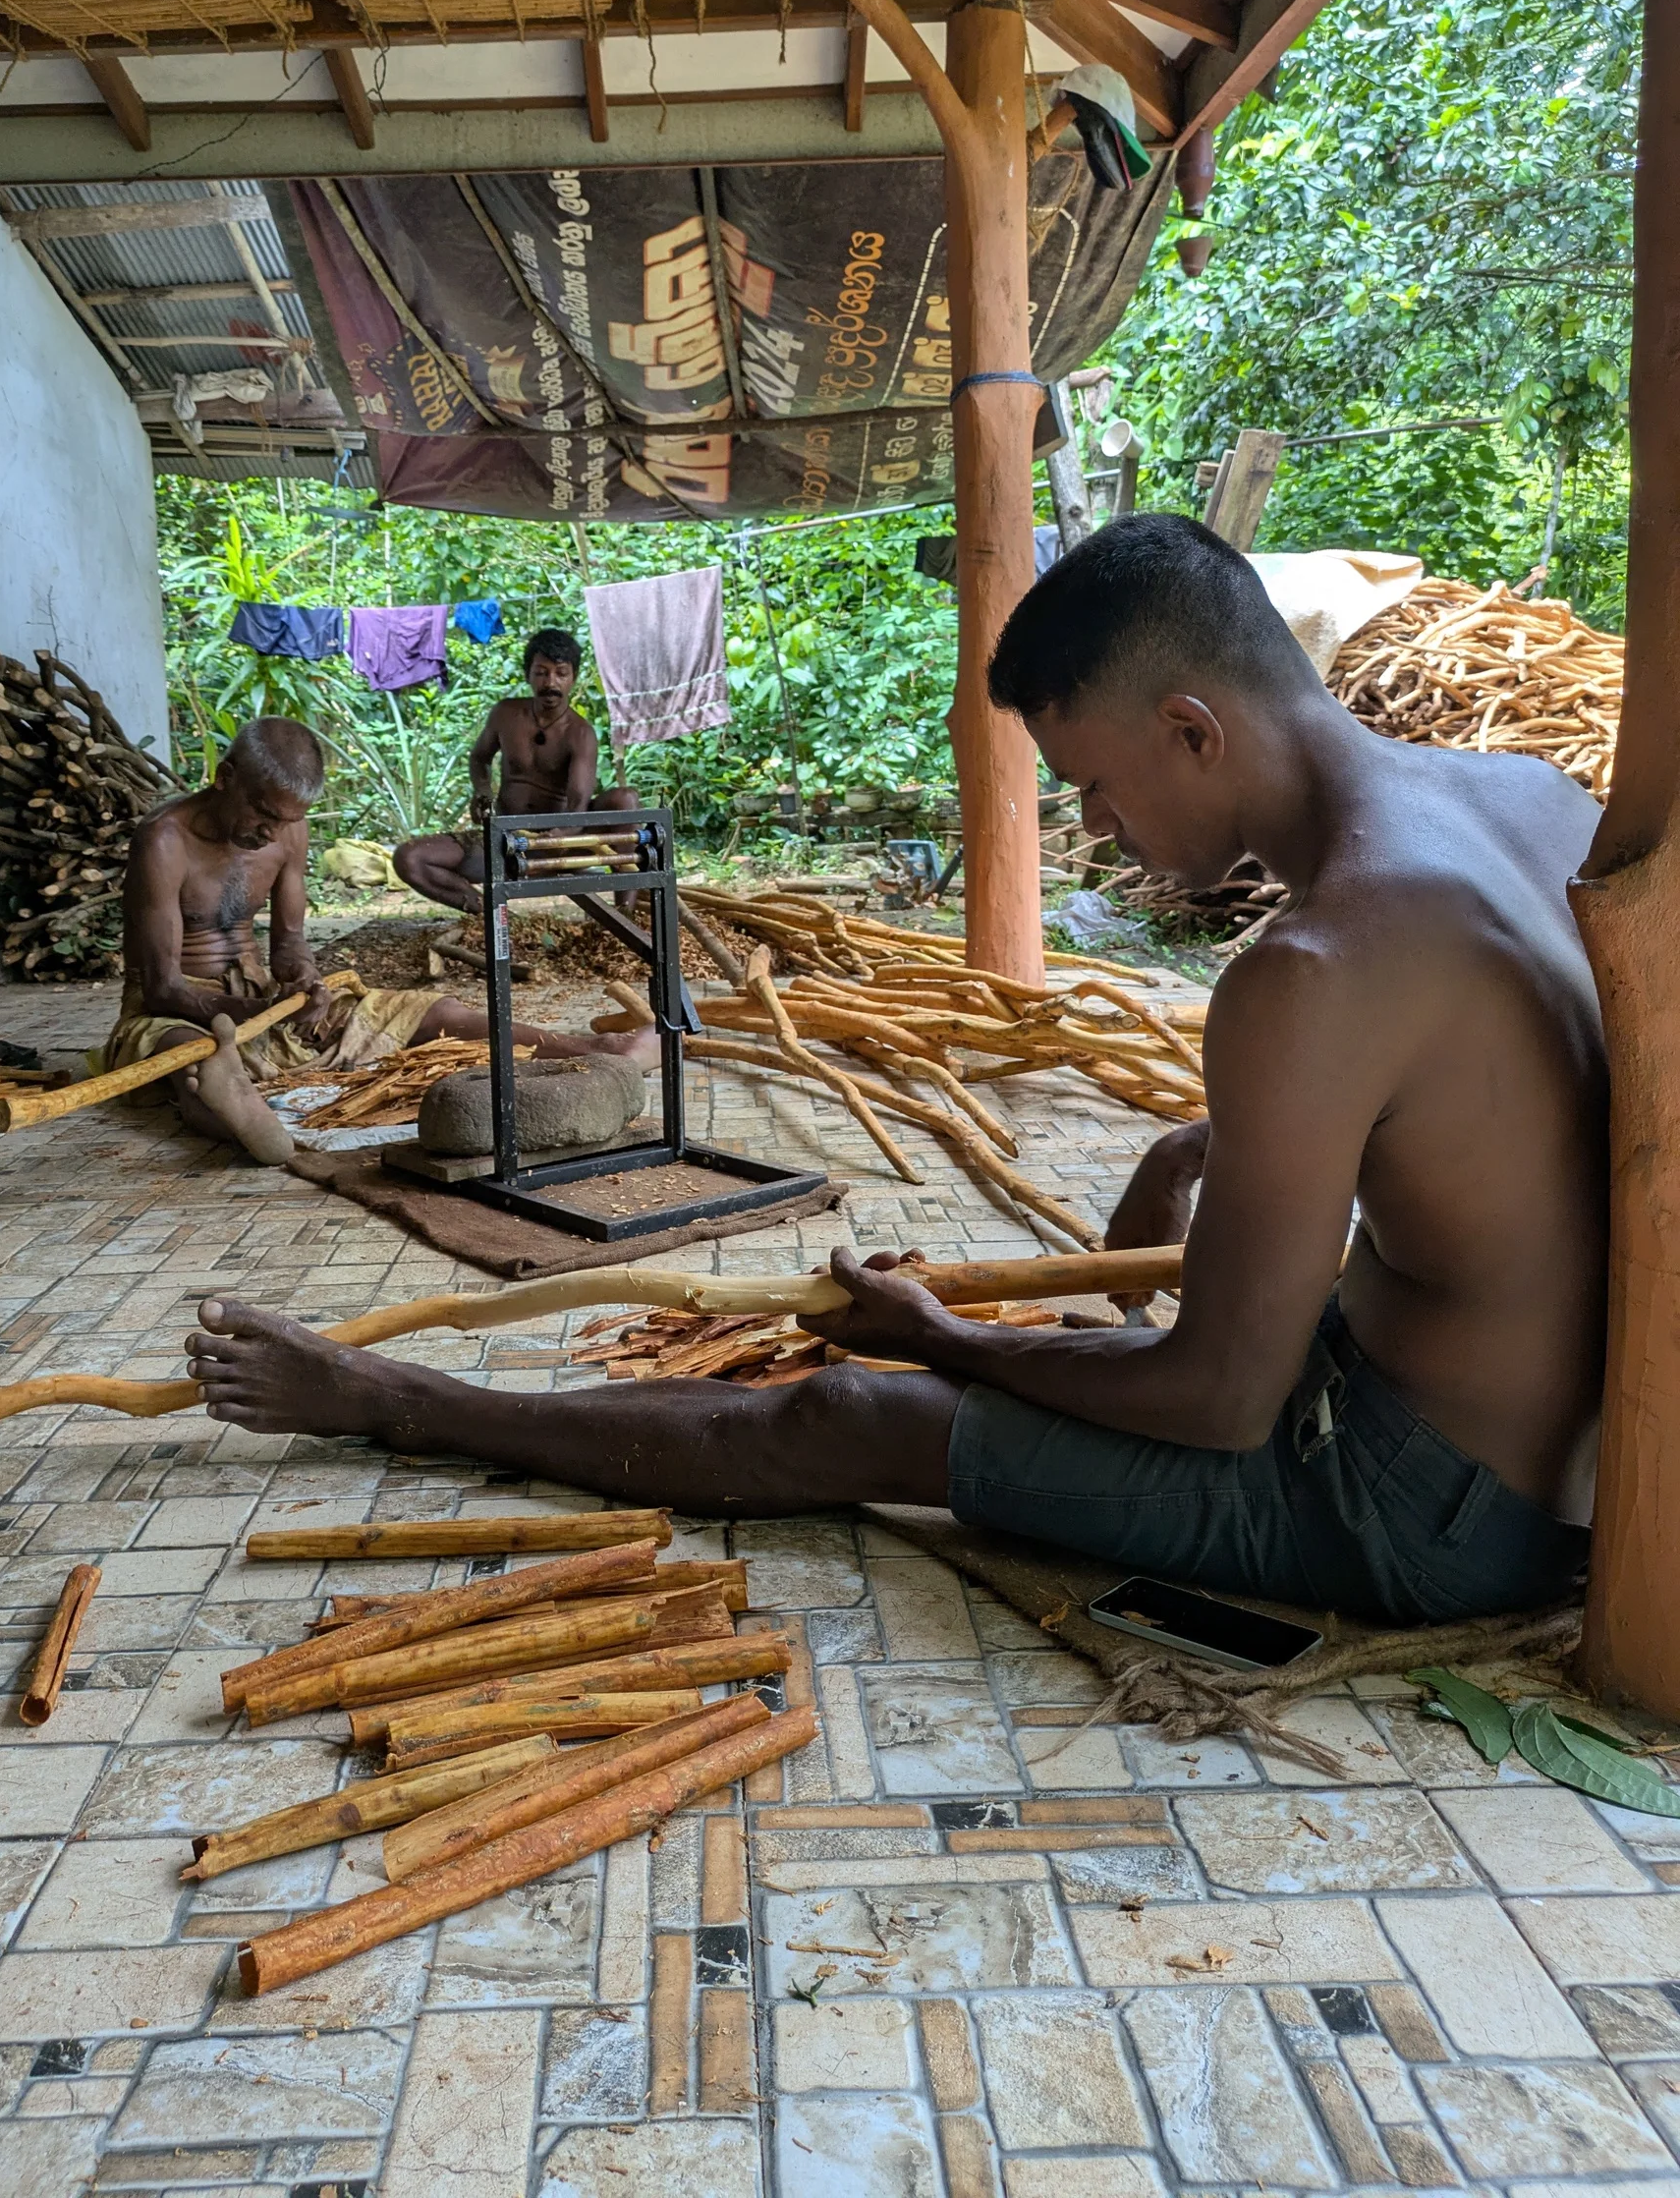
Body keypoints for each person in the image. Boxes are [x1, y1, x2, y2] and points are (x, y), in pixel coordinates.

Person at [183, 519, 1605, 1623]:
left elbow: (1225, 1402)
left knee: (848, 1410)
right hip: (1541, 1468)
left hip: (1417, 1509)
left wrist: (945, 1340)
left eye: (1098, 784)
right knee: (1077, 1346)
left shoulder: (1311, 969)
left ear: (1194, 726)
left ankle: (393, 1402)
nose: (1099, 827)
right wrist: (1203, 1163)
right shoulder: (1540, 806)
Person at [114, 716, 654, 1168]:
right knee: (182, 1054)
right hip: (182, 1006)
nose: (272, 834)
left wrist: (303, 982)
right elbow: (161, 987)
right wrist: (254, 1011)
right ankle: (235, 1108)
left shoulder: (288, 832)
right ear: (225, 777)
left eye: (287, 822)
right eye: (263, 816)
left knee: (431, 1010)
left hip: (259, 999)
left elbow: (289, 944)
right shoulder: (164, 841)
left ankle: (595, 1051)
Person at [394, 628, 638, 913]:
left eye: (561, 673)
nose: (551, 683)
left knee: (625, 799)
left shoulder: (580, 733)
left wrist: (563, 834)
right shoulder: (505, 714)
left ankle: (626, 915)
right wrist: (482, 792)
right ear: (527, 674)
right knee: (408, 858)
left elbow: (578, 803)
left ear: (573, 677)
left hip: (561, 844)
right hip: (504, 841)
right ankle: (486, 913)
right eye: (541, 672)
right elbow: (479, 759)